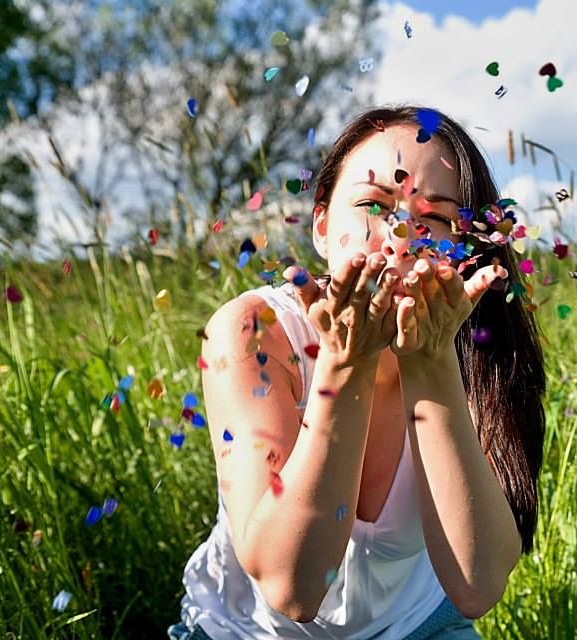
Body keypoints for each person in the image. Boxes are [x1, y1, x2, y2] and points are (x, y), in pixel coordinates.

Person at [170, 105, 546, 639]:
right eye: (374, 205)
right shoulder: (254, 333)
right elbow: (292, 590)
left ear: (465, 251)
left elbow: (477, 587)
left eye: (436, 220)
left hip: (421, 628)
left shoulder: (477, 354)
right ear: (322, 227)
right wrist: (346, 363)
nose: (400, 237)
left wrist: (429, 361)